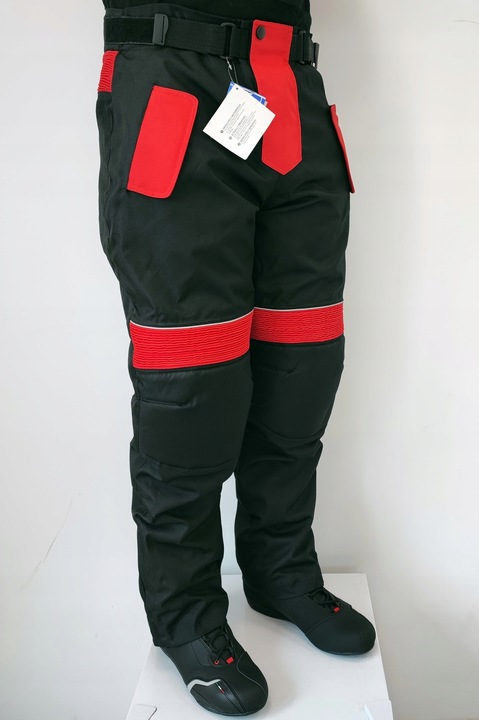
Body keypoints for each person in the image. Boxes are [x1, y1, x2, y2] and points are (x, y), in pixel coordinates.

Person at [96, 0, 376, 715]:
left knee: (303, 362)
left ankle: (280, 571)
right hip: (173, 78)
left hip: (292, 84)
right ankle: (184, 614)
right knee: (192, 380)